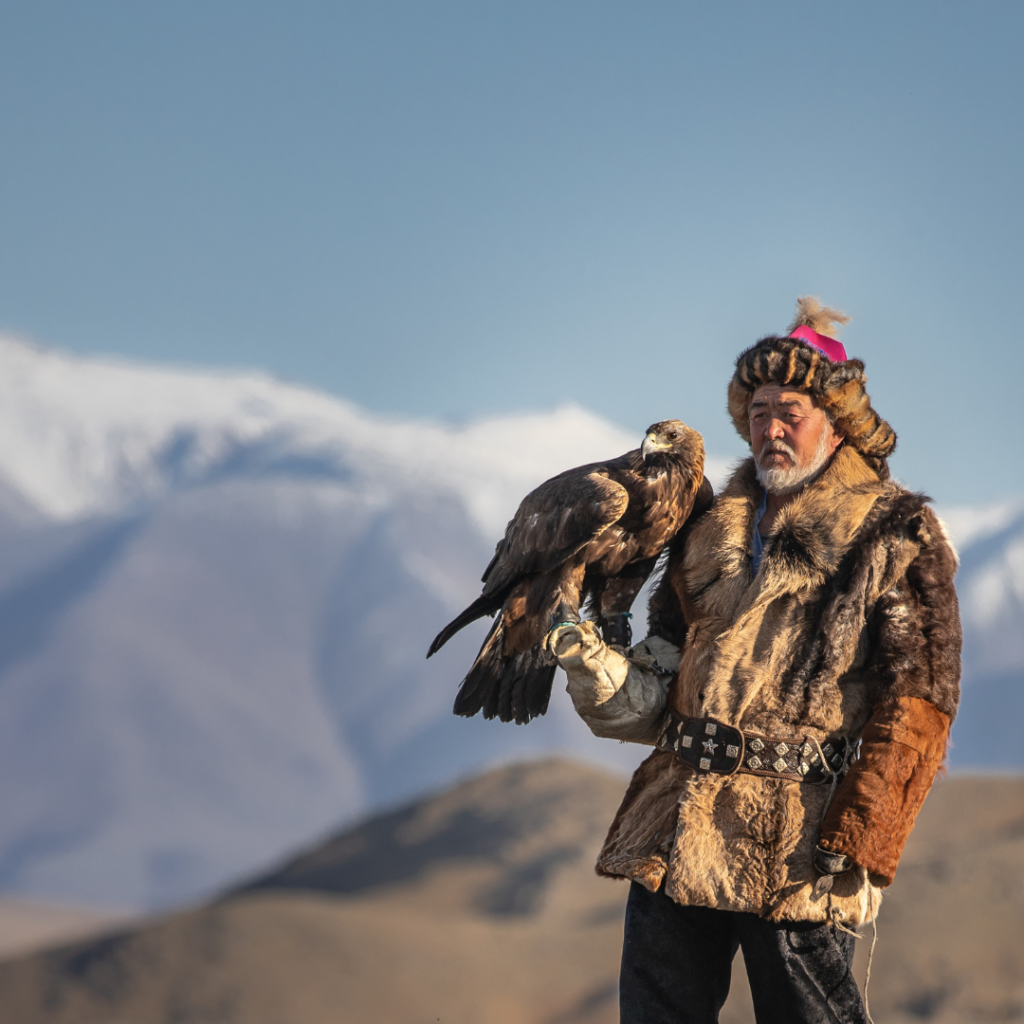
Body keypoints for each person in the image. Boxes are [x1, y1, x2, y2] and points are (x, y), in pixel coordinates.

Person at [546, 298, 962, 1024]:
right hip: (677, 823)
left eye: (790, 411)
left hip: (798, 841)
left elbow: (920, 699)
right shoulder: (705, 527)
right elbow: (666, 669)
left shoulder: (893, 532)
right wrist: (605, 678)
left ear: (836, 420)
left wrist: (866, 835)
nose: (770, 427)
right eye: (759, 409)